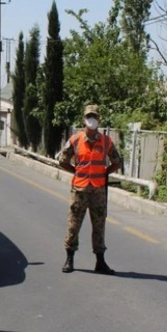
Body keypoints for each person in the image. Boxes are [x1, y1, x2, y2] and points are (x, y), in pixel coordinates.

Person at [57, 104, 122, 275]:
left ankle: (100, 262)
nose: (91, 120)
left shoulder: (106, 141)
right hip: (79, 189)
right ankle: (69, 259)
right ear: (84, 119)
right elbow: (62, 160)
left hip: (98, 191)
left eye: (94, 116)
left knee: (99, 226)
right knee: (74, 224)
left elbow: (117, 161)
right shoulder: (75, 139)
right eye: (89, 116)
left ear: (99, 119)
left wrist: (104, 173)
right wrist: (76, 171)